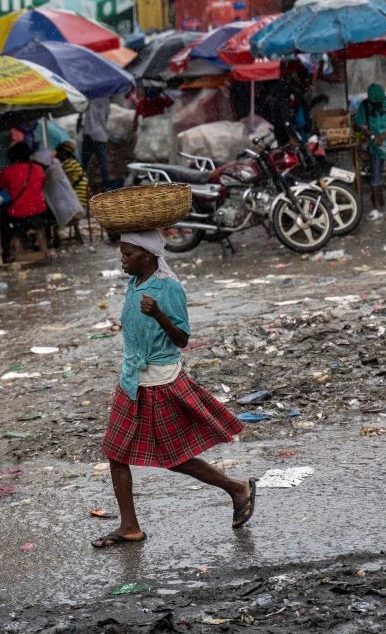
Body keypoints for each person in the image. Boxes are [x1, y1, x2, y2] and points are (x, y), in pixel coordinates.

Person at [93, 230, 256, 548]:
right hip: (131, 381)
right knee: (115, 453)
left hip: (159, 382)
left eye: (128, 253)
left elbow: (182, 340)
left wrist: (158, 314)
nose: (122, 259)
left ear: (148, 255)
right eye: (122, 252)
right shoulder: (135, 283)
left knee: (175, 457)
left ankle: (238, 489)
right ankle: (129, 526)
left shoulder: (168, 288)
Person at [354, 83, 386, 221]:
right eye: (374, 103)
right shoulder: (364, 105)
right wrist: (369, 133)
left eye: (379, 103)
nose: (377, 105)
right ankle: (376, 208)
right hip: (375, 146)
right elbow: (357, 124)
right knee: (375, 177)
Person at [0, 142, 50, 259]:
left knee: (3, 217)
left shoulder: (7, 171)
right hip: (39, 210)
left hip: (18, 213)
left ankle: (8, 250)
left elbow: (1, 186)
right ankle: (44, 248)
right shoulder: (39, 169)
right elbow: (42, 185)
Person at [79, 96, 111, 193]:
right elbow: (106, 116)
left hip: (88, 133)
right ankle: (106, 187)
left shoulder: (89, 97)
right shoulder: (105, 99)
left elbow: (82, 114)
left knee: (84, 162)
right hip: (100, 135)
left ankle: (80, 184)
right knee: (103, 163)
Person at [56, 140, 88, 209]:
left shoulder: (68, 163)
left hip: (77, 202)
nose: (57, 154)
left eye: (59, 152)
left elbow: (67, 184)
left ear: (63, 152)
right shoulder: (73, 162)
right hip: (83, 201)